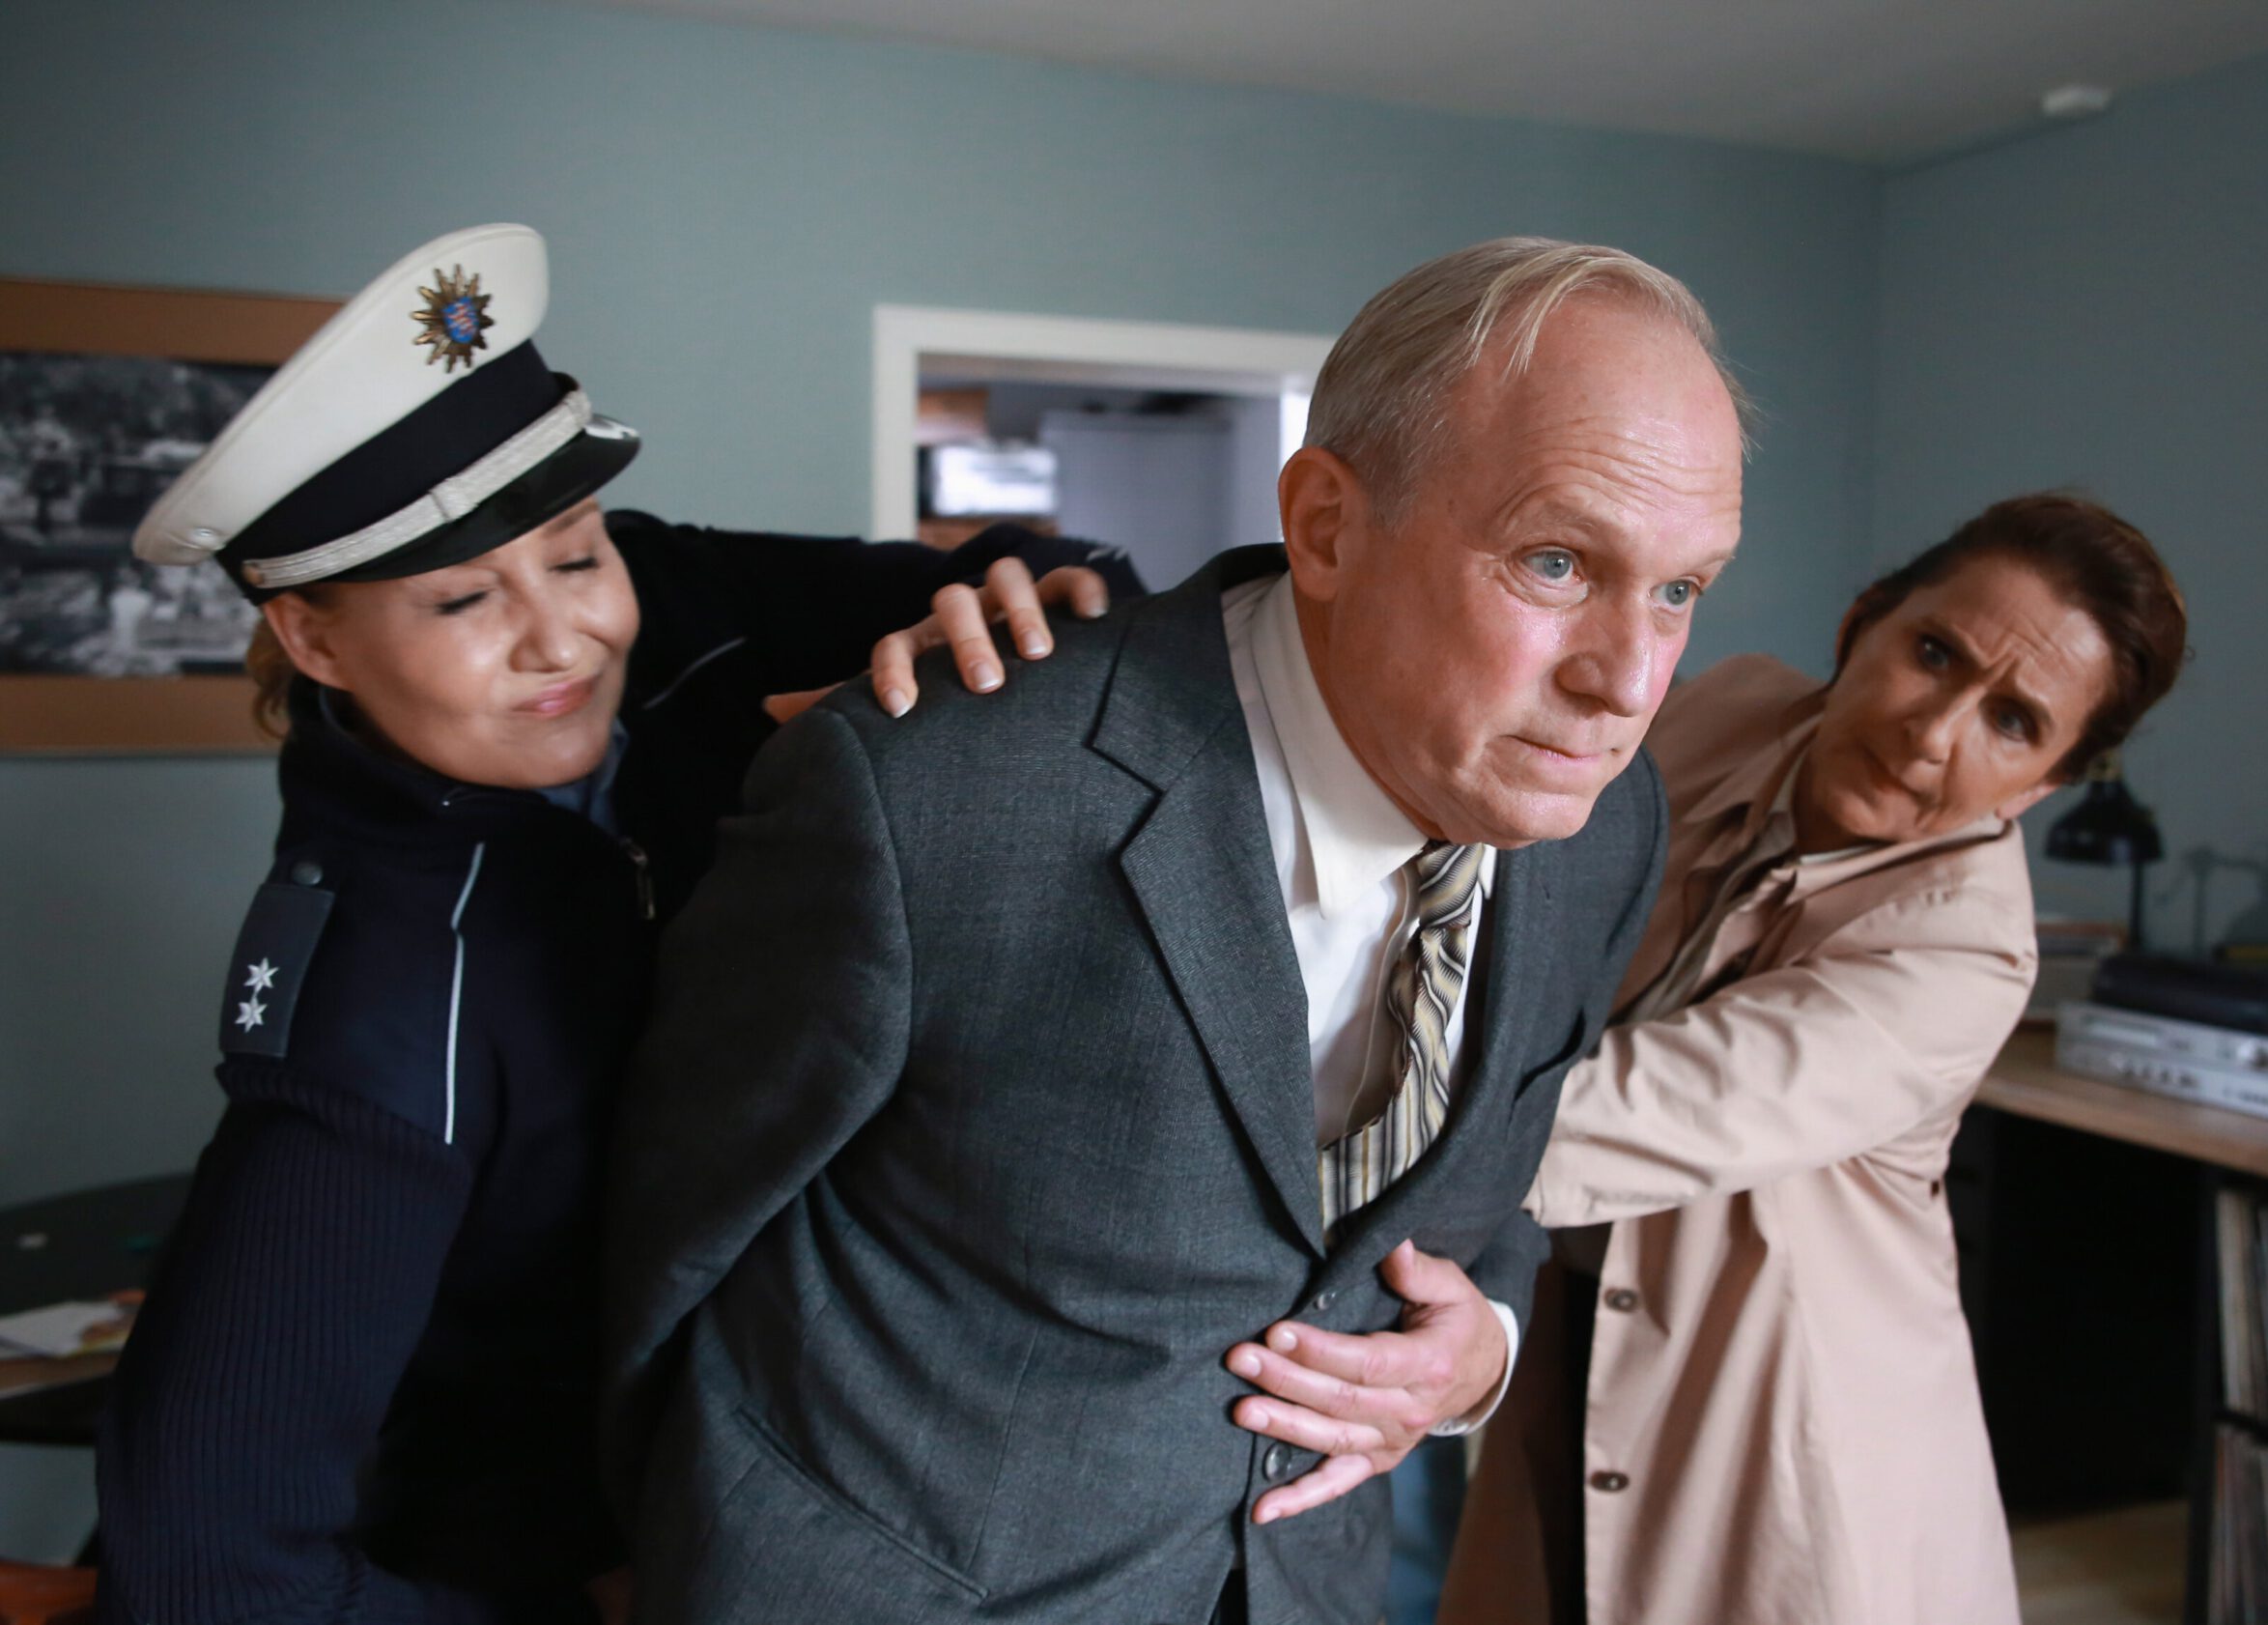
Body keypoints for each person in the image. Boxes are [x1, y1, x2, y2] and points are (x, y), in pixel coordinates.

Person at [601, 236, 1745, 1625]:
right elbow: (664, 1239)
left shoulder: (1605, 827)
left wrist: (1481, 1347)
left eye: (1681, 588)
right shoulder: (933, 792)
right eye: (1558, 561)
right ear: (1328, 525)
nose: (1627, 680)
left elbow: (1476, 1190)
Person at [93, 223, 1131, 1625]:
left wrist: (1048, 581)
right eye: (461, 598)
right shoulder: (382, 1003)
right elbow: (211, 1569)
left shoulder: (655, 597)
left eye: (576, 558)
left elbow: (1000, 586)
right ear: (316, 641)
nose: (562, 638)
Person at [1432, 493, 2188, 1625]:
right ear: (1861, 623)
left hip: (1787, 1427)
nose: (1931, 731)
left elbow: (1615, 1114)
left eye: (2013, 721)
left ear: (2041, 784)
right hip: (1554, 1334)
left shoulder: (1962, 951)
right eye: (1933, 652)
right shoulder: (1731, 703)